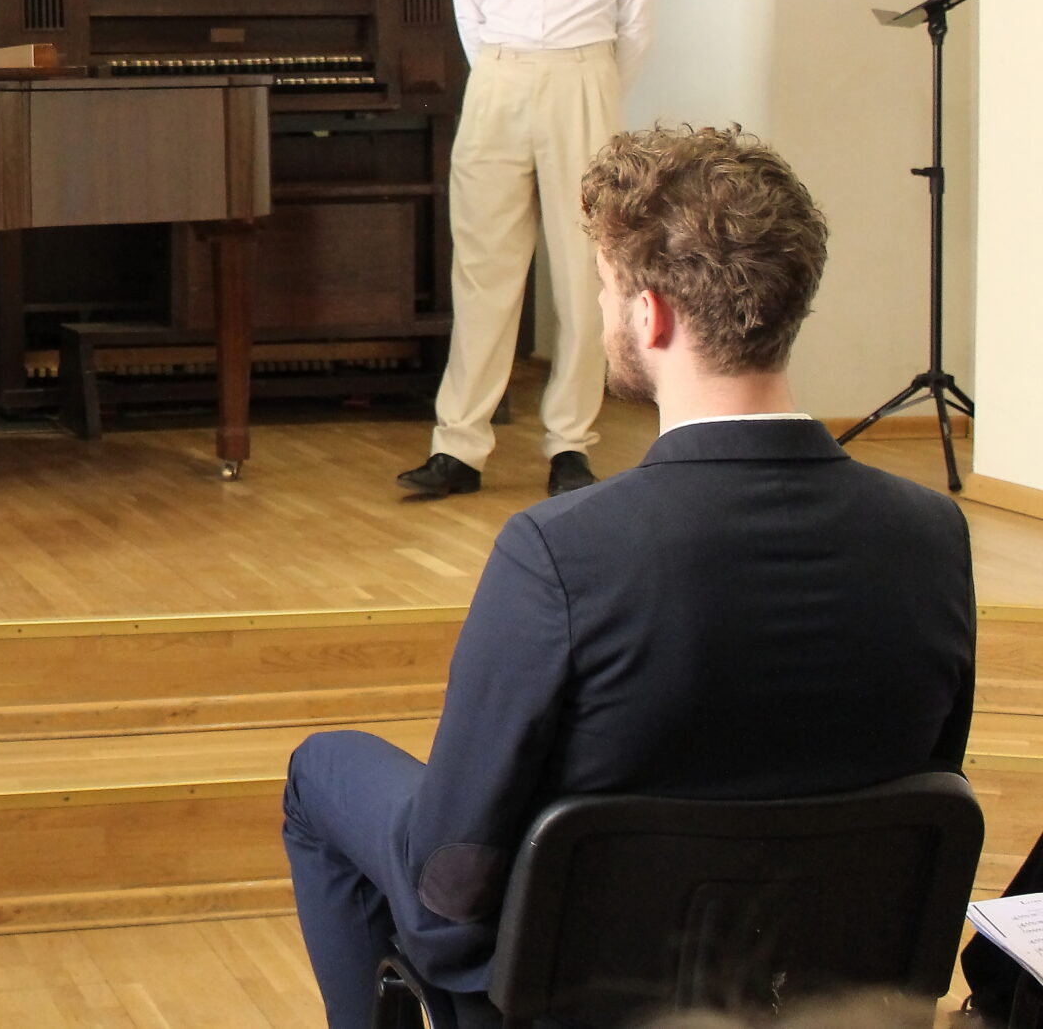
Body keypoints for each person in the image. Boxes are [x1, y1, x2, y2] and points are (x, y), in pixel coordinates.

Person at [285, 126, 975, 1029]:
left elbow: (450, 882)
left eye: (607, 290)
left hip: (573, 995)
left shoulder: (559, 552)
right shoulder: (933, 536)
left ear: (651, 316)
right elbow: (914, 806)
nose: (606, 309)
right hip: (825, 993)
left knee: (321, 771)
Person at [400, 0, 654, 500]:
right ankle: (459, 446)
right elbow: (469, 16)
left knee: (584, 274)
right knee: (483, 270)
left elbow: (637, 22)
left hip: (584, 75)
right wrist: (506, 78)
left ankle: (570, 444)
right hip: (499, 79)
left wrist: (592, 88)